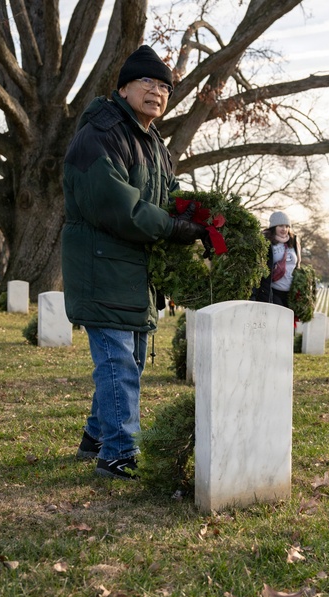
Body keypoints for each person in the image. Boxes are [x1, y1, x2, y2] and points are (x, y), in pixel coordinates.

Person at [61, 45, 212, 479]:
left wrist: (198, 217)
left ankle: (95, 438)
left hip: (134, 272)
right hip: (103, 267)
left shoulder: (153, 144)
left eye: (164, 86)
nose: (157, 91)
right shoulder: (100, 134)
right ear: (123, 87)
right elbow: (116, 204)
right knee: (118, 364)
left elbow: (166, 196)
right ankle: (118, 453)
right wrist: (170, 225)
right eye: (147, 82)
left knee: (129, 362)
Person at [252, 211, 301, 308]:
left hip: (290, 292)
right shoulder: (267, 242)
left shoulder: (293, 242)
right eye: (281, 226)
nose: (284, 229)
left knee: (289, 321)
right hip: (273, 291)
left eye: (287, 226)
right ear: (274, 227)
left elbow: (297, 265)